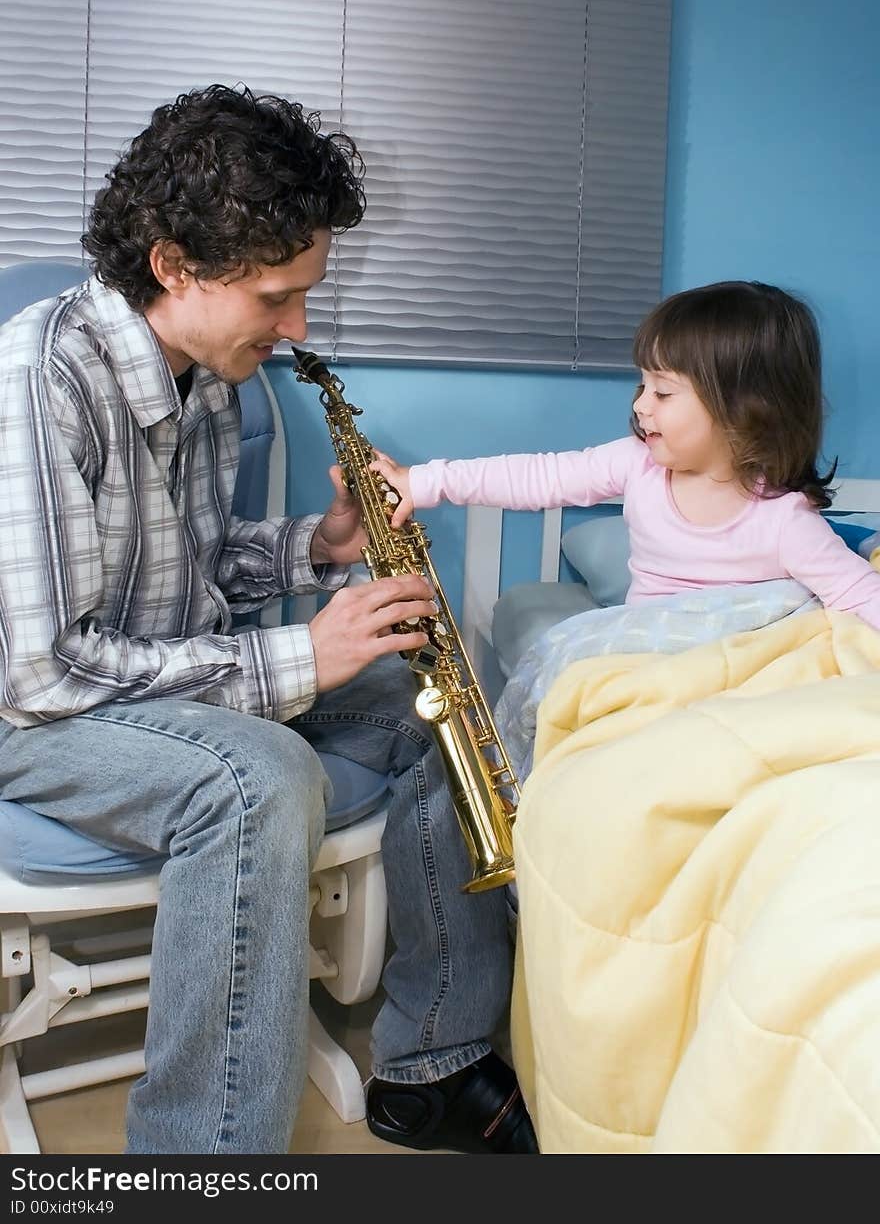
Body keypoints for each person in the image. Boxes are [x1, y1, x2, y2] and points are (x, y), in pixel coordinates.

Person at [0, 84, 537, 1155]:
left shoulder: (205, 374)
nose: (297, 329)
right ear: (172, 264)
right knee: (259, 774)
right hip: (39, 721)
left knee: (433, 688)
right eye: (277, 297)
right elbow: (46, 671)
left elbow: (189, 574)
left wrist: (321, 546)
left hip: (152, 691)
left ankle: (431, 1059)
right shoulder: (36, 375)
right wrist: (303, 653)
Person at [372, 280, 880, 631]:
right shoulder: (638, 465)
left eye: (663, 393)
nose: (640, 405)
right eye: (642, 385)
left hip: (739, 677)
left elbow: (861, 596)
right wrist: (423, 482)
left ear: (745, 410)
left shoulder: (787, 524)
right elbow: (540, 477)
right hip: (644, 659)